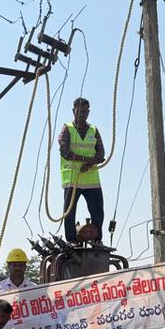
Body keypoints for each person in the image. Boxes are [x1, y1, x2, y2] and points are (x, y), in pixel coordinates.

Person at [57, 98, 106, 243]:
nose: (82, 114)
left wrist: (90, 163)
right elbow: (64, 151)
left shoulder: (94, 130)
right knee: (69, 212)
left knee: (98, 212)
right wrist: (86, 160)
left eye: (85, 111)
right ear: (74, 111)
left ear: (88, 112)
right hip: (72, 179)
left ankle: (97, 240)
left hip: (92, 180)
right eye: (79, 111)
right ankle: (71, 240)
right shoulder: (67, 128)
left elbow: (101, 154)